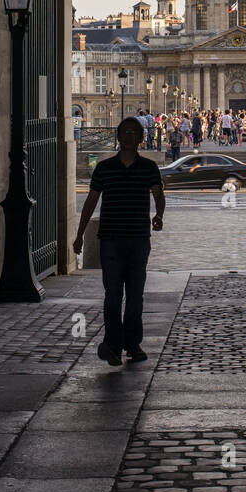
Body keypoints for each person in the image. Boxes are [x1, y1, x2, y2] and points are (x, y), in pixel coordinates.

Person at [73, 116, 165, 366]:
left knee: (135, 295)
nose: (129, 136)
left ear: (141, 138)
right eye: (125, 132)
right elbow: (91, 202)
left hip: (138, 239)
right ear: (118, 137)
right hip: (110, 239)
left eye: (134, 133)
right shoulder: (104, 168)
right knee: (113, 294)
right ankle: (113, 344)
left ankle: (132, 344)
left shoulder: (148, 168)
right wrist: (80, 234)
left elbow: (159, 193)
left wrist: (159, 214)